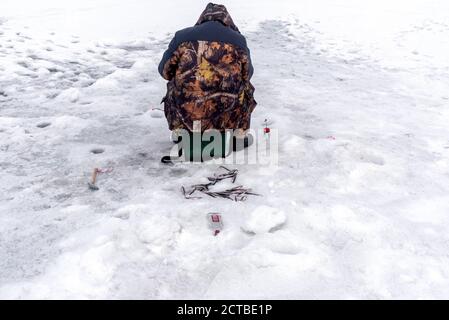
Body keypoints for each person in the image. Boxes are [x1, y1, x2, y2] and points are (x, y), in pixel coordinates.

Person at [158, 3, 256, 162]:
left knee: (173, 86)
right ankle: (238, 135)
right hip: (226, 110)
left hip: (188, 110)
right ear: (227, 20)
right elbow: (247, 75)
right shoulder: (239, 41)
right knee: (246, 89)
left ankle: (182, 131)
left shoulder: (181, 37)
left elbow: (164, 72)